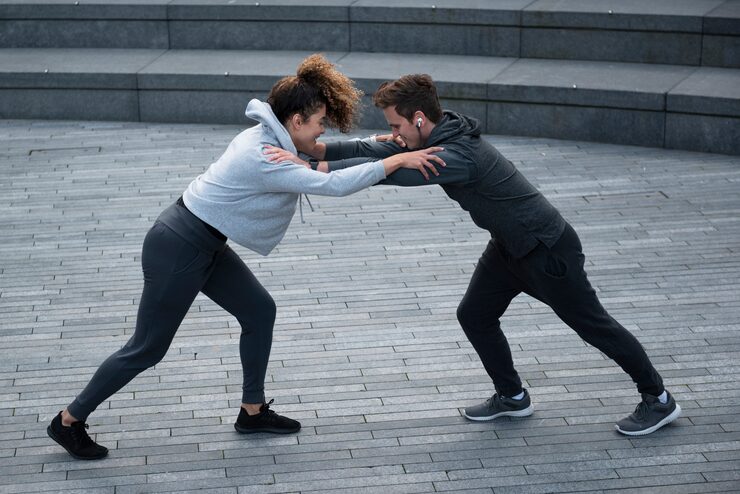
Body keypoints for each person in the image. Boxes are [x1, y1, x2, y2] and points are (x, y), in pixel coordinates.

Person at [46, 55, 445, 460]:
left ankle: (252, 411)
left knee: (258, 311)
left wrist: (380, 145)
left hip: (202, 242)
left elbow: (326, 153)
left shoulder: (270, 137)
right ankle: (69, 420)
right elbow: (334, 184)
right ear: (296, 121)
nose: (322, 129)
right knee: (147, 348)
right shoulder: (265, 156)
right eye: (319, 121)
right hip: (178, 247)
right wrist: (396, 160)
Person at [289, 74, 681, 436]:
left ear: (419, 118)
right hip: (508, 248)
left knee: (594, 326)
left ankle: (658, 399)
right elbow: (372, 148)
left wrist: (315, 169)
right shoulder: (432, 134)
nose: (394, 134)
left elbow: (392, 173)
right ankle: (512, 396)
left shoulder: (458, 155)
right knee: (474, 315)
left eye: (397, 126)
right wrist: (312, 152)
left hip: (547, 250)